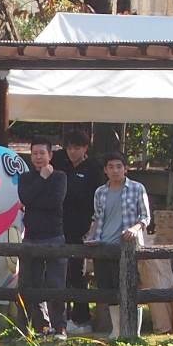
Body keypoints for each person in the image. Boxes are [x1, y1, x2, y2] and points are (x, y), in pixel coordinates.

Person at [85, 154, 152, 341]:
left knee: (131, 287)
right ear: (105, 170)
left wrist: (135, 228)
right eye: (111, 167)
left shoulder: (138, 189)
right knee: (108, 289)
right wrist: (89, 237)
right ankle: (116, 331)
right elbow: (97, 218)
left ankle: (133, 333)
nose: (115, 170)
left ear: (125, 169)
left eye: (118, 166)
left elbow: (145, 217)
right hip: (103, 245)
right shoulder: (100, 192)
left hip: (127, 248)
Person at [16, 138, 70, 337]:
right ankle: (40, 326)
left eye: (42, 153)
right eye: (35, 153)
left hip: (54, 236)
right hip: (31, 237)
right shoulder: (26, 178)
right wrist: (42, 180)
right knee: (31, 283)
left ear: (50, 155)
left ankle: (60, 326)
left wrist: (39, 191)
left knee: (56, 284)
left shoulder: (60, 177)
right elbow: (25, 198)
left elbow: (54, 201)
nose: (38, 157)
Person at [59, 130, 101, 332]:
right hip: (62, 227)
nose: (72, 152)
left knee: (78, 273)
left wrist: (93, 228)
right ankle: (64, 316)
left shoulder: (94, 169)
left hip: (84, 228)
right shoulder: (63, 168)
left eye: (77, 147)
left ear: (85, 148)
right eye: (69, 148)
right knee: (64, 273)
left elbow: (97, 201)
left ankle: (82, 317)